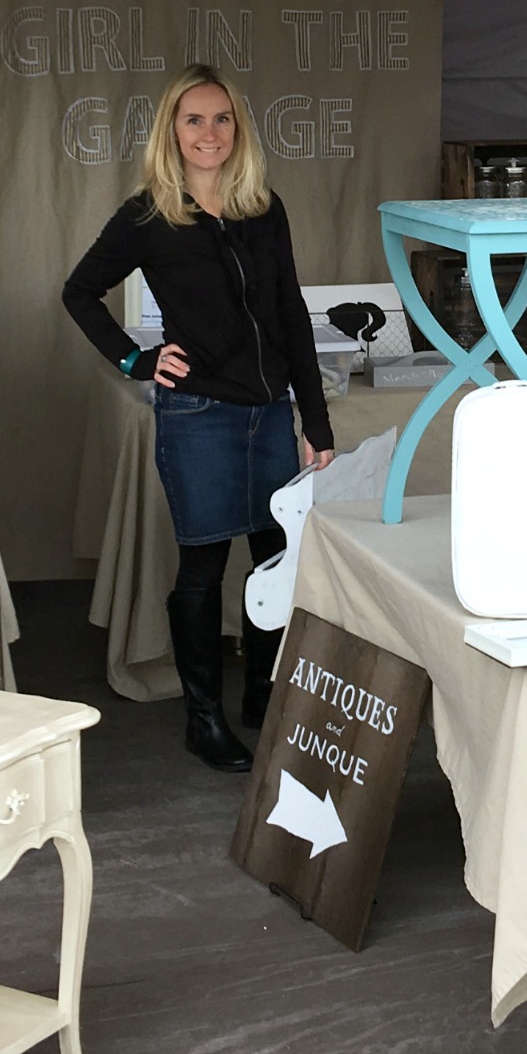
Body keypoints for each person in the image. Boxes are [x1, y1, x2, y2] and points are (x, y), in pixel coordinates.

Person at [62, 64, 335, 771]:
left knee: (272, 558)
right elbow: (80, 292)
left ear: (236, 128)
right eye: (193, 120)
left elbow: (288, 315)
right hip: (200, 413)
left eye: (220, 119)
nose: (208, 133)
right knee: (203, 564)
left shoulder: (262, 207)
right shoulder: (147, 217)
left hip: (270, 409)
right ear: (171, 132)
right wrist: (135, 360)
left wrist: (316, 418)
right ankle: (204, 718)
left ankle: (259, 698)